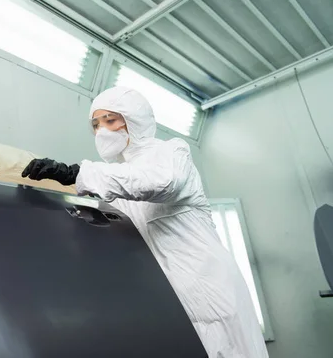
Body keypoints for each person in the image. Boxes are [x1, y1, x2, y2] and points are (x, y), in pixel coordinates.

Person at [22, 86, 269, 358]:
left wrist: (76, 173)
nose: (101, 130)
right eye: (95, 124)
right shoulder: (118, 181)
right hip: (174, 300)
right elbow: (107, 213)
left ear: (134, 120)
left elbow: (158, 182)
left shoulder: (173, 153)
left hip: (212, 290)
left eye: (110, 120)